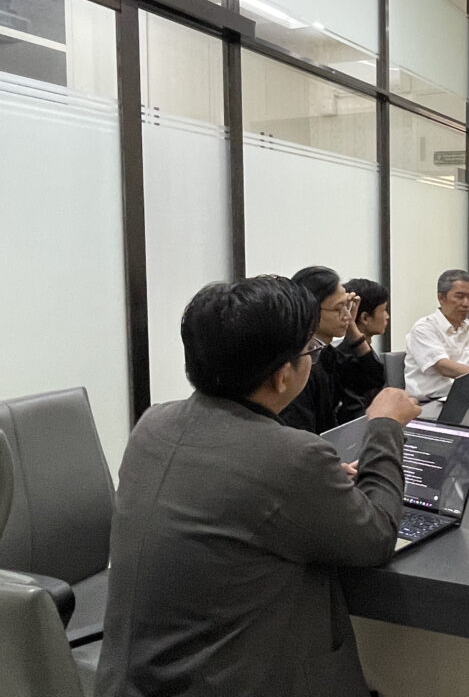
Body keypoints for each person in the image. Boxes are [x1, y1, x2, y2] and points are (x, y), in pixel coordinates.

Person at [96, 276, 421, 697]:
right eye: (311, 350)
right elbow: (375, 537)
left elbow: (233, 491)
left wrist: (313, 486)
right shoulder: (292, 456)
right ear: (282, 376)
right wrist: (385, 426)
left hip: (133, 681)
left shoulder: (153, 424)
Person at [280, 266, 386, 432]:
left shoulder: (326, 353)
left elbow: (373, 379)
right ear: (311, 310)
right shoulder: (299, 363)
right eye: (339, 308)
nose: (347, 315)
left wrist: (352, 330)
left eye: (347, 306)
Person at [404, 269, 469, 399]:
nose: (466, 303)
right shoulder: (424, 328)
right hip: (431, 402)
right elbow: (443, 366)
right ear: (441, 298)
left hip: (468, 395)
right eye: (460, 297)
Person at [340, 277, 391, 421]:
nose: (387, 316)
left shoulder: (363, 350)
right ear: (365, 318)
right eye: (383, 310)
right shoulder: (348, 358)